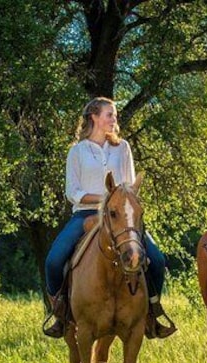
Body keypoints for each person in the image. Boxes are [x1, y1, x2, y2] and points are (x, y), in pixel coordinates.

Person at [43, 97, 176, 340]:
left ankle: (154, 311)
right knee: (53, 260)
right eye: (109, 114)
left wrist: (117, 201)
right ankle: (60, 313)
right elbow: (73, 193)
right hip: (85, 214)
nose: (114, 119)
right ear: (94, 116)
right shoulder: (77, 151)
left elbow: (130, 187)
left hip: (120, 217)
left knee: (156, 258)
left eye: (114, 115)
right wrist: (106, 198)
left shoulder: (122, 147)